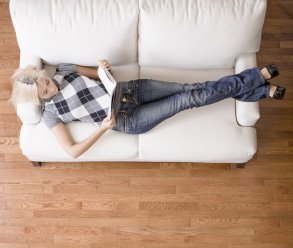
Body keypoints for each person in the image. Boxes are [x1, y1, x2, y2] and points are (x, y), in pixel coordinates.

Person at [10, 60, 286, 159]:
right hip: (128, 119)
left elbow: (97, 73)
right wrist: (104, 129)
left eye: (45, 82)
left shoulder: (63, 70)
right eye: (44, 92)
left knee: (193, 88)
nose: (50, 89)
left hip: (131, 89)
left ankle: (259, 89)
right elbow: (71, 152)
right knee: (189, 100)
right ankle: (256, 79)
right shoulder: (49, 112)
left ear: (41, 74)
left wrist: (103, 68)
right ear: (37, 99)